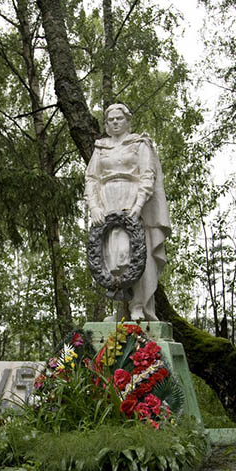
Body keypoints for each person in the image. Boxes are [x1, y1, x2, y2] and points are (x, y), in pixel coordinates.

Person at [84, 103, 171, 321]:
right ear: (106, 124)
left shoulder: (139, 144)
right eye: (111, 120)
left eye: (119, 119)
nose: (115, 122)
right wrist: (94, 206)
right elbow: (91, 178)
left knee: (133, 254)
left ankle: (139, 306)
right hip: (107, 200)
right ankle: (121, 310)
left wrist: (138, 205)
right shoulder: (101, 148)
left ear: (127, 121)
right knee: (111, 257)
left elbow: (147, 175)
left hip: (132, 197)